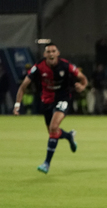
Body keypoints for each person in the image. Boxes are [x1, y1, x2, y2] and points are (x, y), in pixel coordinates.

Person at [13, 43, 88, 174]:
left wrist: (82, 86)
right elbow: (23, 86)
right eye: (48, 51)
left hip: (63, 99)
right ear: (44, 54)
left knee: (53, 128)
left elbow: (83, 78)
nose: (51, 54)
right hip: (47, 101)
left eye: (53, 51)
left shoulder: (66, 65)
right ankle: (69, 136)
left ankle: (46, 163)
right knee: (53, 132)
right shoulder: (38, 67)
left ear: (58, 53)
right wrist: (17, 105)